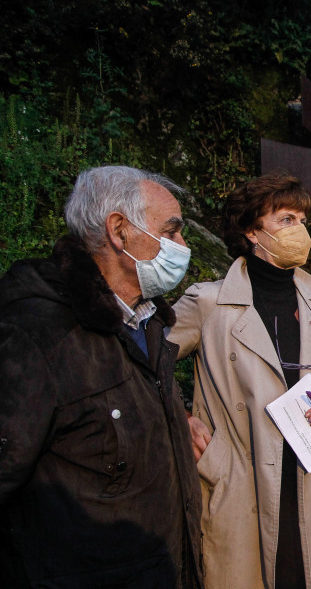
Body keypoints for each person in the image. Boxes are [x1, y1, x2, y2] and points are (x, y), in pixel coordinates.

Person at [0, 166, 202, 587]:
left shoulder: (146, 322)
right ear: (118, 230)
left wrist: (171, 421)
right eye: (172, 230)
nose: (183, 246)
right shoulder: (38, 333)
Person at [167, 173, 311, 588]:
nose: (299, 230)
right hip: (241, 478)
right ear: (250, 229)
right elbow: (142, 361)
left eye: (302, 220)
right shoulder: (208, 301)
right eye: (285, 219)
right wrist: (177, 414)